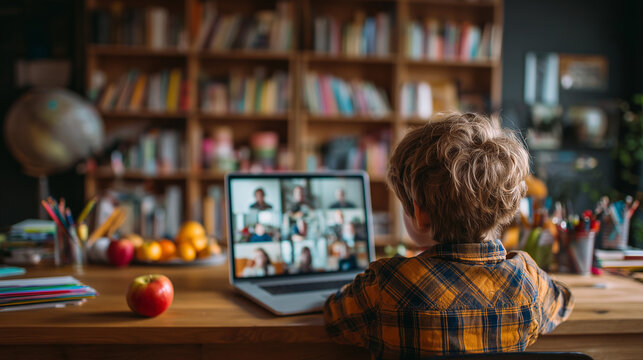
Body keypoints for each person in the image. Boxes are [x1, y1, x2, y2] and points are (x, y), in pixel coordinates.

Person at [324, 112, 574, 358]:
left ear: (421, 216)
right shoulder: (528, 281)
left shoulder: (386, 284)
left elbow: (334, 317)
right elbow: (564, 301)